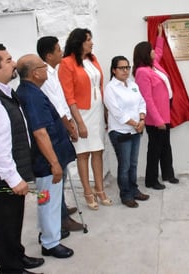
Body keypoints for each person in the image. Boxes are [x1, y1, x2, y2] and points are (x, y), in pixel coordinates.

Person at [0, 44, 44, 274]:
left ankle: (17, 257)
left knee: (13, 221)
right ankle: (10, 269)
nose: (14, 64)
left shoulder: (2, 91)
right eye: (9, 60)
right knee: (2, 225)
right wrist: (14, 179)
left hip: (5, 173)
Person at [16, 54, 76, 258]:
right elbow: (40, 132)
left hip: (47, 159)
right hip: (46, 162)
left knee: (46, 199)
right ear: (35, 73)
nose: (46, 69)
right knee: (48, 201)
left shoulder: (31, 91)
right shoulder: (32, 96)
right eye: (43, 66)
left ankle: (48, 234)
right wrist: (54, 163)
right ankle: (51, 243)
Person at [58, 28, 112, 210]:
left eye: (91, 39)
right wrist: (79, 122)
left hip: (97, 112)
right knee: (83, 153)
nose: (91, 42)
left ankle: (100, 188)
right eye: (88, 39)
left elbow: (99, 86)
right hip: (81, 113)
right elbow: (68, 96)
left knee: (98, 151)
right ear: (79, 42)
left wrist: (105, 111)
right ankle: (87, 191)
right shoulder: (67, 63)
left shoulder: (92, 59)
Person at [37, 36, 83, 232]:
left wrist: (71, 122)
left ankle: (61, 207)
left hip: (63, 125)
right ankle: (62, 218)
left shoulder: (54, 72)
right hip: (55, 130)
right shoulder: (44, 76)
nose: (61, 52)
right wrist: (69, 126)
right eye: (57, 50)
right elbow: (55, 106)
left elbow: (62, 101)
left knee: (62, 174)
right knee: (57, 176)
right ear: (49, 55)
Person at [132, 26, 179, 190]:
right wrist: (158, 120)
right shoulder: (142, 72)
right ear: (145, 53)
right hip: (155, 118)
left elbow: (159, 51)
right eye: (150, 50)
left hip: (165, 112)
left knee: (165, 145)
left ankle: (168, 174)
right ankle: (151, 180)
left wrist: (159, 35)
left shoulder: (154, 65)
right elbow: (147, 99)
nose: (154, 52)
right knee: (155, 148)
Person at [104, 56, 150, 208]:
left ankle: (134, 190)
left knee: (133, 163)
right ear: (114, 70)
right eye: (122, 68)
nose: (125, 71)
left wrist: (142, 120)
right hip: (120, 131)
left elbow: (142, 102)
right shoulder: (110, 88)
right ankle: (126, 195)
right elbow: (117, 112)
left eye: (127, 67)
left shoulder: (132, 84)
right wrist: (136, 123)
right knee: (124, 165)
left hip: (136, 130)